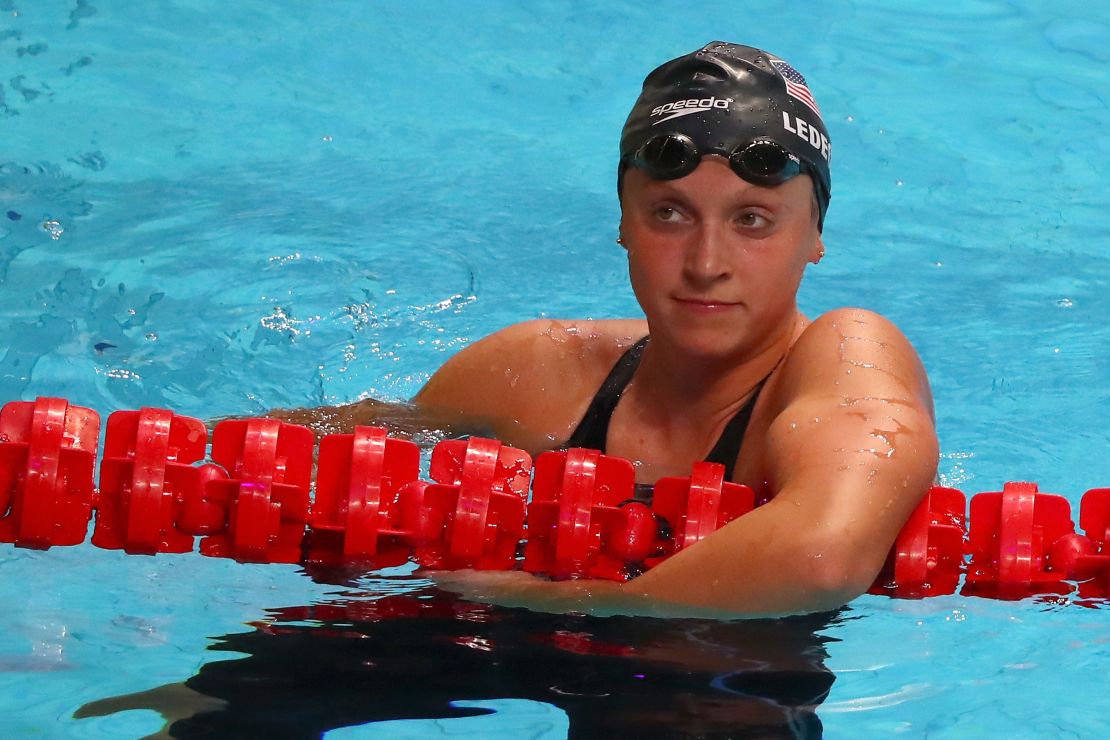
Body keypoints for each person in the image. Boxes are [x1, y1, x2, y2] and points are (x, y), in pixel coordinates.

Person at [277, 42, 938, 617]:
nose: (707, 265)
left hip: (727, 687)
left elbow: (823, 555)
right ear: (623, 221)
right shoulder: (536, 373)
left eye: (753, 221)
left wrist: (578, 605)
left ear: (815, 233)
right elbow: (344, 438)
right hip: (495, 635)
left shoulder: (849, 353)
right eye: (670, 214)